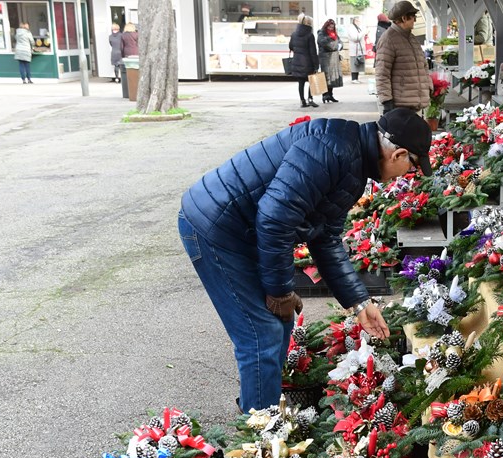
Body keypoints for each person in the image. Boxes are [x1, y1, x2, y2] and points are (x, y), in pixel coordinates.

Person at [177, 108, 433, 413]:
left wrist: (361, 303)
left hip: (242, 228)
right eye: (413, 166)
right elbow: (274, 219)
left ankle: (260, 408)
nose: (408, 175)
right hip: (215, 225)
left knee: (279, 325)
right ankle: (261, 432)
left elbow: (325, 238)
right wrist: (280, 290)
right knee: (261, 334)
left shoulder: (352, 160)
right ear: (398, 154)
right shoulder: (334, 150)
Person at [374, 0, 430, 113]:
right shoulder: (388, 39)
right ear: (404, 18)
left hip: (414, 104)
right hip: (398, 106)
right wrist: (386, 101)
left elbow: (423, 66)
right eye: (413, 16)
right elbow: (382, 73)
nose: (415, 20)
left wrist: (429, 87)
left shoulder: (412, 38)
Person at [289, 13, 320, 108]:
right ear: (309, 24)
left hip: (297, 61)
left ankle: (302, 101)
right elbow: (313, 52)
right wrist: (316, 65)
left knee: (301, 82)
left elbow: (290, 46)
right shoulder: (310, 35)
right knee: (311, 81)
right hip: (308, 62)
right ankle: (310, 99)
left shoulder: (294, 34)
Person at [317, 19, 343, 103]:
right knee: (325, 77)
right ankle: (325, 95)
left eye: (332, 27)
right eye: (329, 27)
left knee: (332, 77)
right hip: (325, 58)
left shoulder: (334, 34)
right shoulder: (321, 34)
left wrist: (339, 45)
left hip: (334, 58)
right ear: (326, 26)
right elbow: (326, 45)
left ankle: (330, 95)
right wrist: (335, 45)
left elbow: (340, 42)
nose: (331, 28)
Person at [346, 16, 365, 83]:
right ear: (355, 21)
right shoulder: (351, 28)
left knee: (358, 63)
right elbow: (355, 38)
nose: (359, 23)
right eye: (358, 21)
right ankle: (354, 78)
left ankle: (356, 78)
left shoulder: (358, 28)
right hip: (354, 49)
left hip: (359, 49)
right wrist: (363, 33)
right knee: (354, 63)